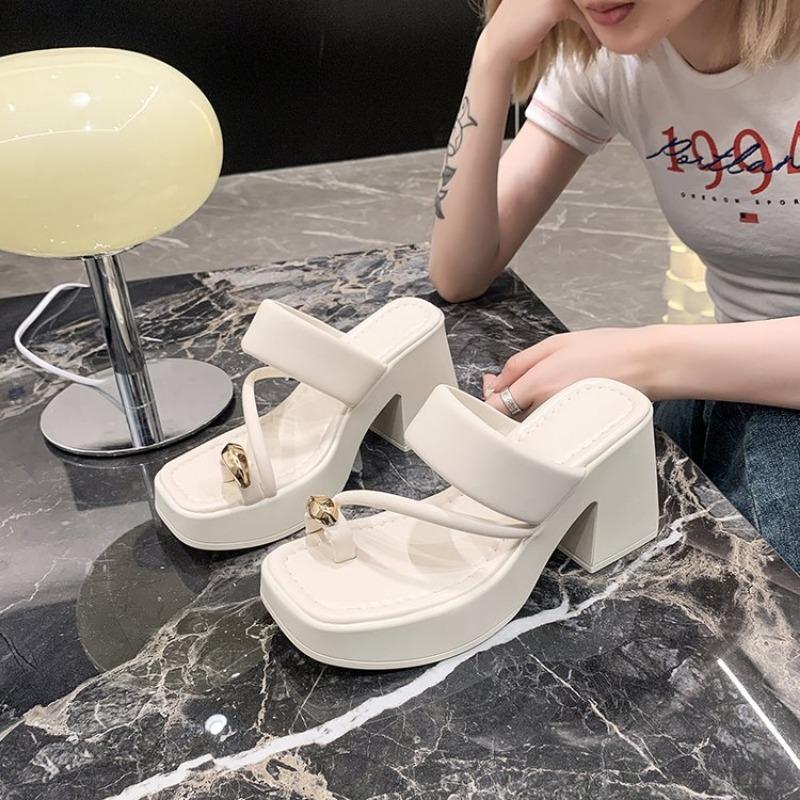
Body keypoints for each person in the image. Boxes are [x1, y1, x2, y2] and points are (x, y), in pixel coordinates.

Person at [428, 0, 800, 572]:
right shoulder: (617, 56)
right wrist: (493, 54)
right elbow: (460, 271)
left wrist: (644, 358)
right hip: (729, 389)